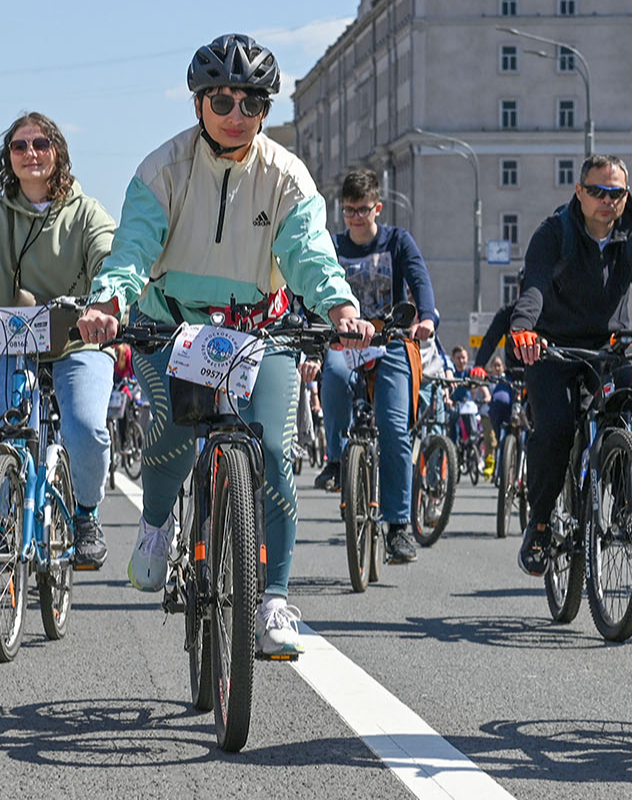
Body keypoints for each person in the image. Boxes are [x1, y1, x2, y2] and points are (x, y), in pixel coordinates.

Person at [74, 34, 374, 657]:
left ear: (265, 111)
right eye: (223, 101)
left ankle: (273, 600)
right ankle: (157, 525)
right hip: (174, 325)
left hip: (260, 328)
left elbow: (310, 254)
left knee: (273, 454)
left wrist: (339, 305)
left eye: (252, 103)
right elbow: (131, 249)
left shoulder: (287, 175)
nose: (237, 115)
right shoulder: (161, 169)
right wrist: (110, 302)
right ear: (199, 104)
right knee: (174, 438)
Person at [0, 111, 117, 572]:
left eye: (41, 144)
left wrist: (106, 302)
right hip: (13, 337)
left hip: (78, 338)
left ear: (58, 153)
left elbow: (109, 258)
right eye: (19, 146)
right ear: (8, 158)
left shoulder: (86, 211)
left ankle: (87, 514)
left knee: (86, 425)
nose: (31, 153)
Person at [508, 153, 632, 576]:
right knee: (554, 429)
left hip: (609, 348)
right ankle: (540, 522)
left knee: (631, 411)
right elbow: (534, 285)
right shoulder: (554, 232)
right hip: (553, 347)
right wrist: (524, 328)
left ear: (626, 195)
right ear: (579, 192)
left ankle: (629, 508)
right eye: (597, 191)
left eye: (616, 193)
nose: (607, 200)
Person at [313, 169, 436, 563]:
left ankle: (399, 526)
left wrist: (427, 317)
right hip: (346, 340)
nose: (355, 218)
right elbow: (313, 286)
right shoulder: (332, 246)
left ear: (377, 207)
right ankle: (335, 460)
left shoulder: (397, 241)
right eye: (348, 210)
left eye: (362, 210)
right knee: (331, 374)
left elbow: (419, 279)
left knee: (395, 429)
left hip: (391, 339)